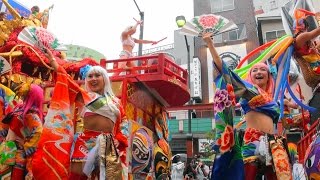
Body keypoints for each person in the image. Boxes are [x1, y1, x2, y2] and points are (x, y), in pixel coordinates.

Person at [203, 32, 292, 180]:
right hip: (252, 142)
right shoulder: (249, 89)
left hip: (273, 143)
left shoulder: (272, 98)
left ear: (269, 76)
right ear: (250, 77)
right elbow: (226, 73)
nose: (258, 72)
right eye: (254, 70)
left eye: (263, 69)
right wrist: (210, 45)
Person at [43, 49, 128, 179]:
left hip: (108, 143)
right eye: (90, 76)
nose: (93, 79)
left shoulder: (115, 102)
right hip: (85, 143)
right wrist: (54, 63)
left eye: (97, 76)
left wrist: (119, 140)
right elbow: (67, 82)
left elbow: (124, 123)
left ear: (104, 79)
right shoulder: (85, 97)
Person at [1, 83, 44, 179]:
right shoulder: (32, 116)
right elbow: (38, 134)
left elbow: (4, 129)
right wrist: (27, 147)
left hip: (6, 150)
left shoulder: (16, 110)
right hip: (19, 155)